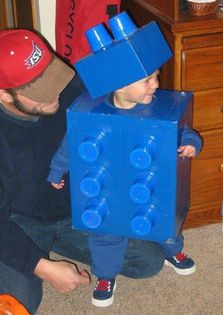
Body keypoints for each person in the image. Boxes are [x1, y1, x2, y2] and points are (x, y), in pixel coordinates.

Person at [0, 29, 165, 314]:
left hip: (80, 206)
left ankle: (60, 244)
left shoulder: (68, 86)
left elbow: (119, 101)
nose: (55, 92)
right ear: (4, 94)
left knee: (148, 261)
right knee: (18, 303)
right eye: (39, 89)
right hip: (21, 222)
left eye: (52, 76)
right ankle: (41, 252)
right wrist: (43, 267)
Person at [48, 68, 203, 307]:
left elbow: (184, 132)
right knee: (105, 235)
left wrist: (191, 143)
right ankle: (106, 275)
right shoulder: (92, 111)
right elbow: (71, 144)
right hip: (108, 190)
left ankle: (174, 252)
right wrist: (57, 171)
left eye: (156, 76)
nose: (156, 84)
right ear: (119, 86)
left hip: (150, 185)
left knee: (165, 221)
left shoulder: (162, 108)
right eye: (147, 80)